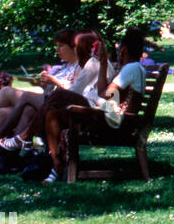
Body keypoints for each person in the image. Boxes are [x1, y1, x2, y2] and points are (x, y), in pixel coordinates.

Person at [41, 29, 147, 183]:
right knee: (53, 114)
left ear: (123, 49)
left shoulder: (131, 68)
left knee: (57, 101)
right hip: (117, 120)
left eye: (119, 50)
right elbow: (103, 92)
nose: (118, 54)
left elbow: (104, 94)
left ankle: (36, 147)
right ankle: (56, 165)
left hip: (117, 125)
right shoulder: (135, 68)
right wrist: (103, 63)